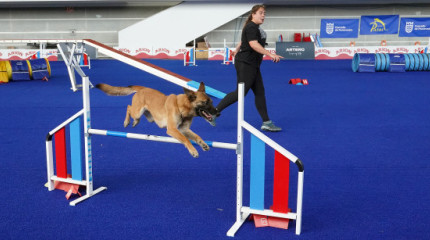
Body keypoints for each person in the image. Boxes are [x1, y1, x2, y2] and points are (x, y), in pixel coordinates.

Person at [214, 4, 283, 132]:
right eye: (261, 13)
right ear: (253, 14)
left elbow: (243, 40)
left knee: (260, 92)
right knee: (240, 93)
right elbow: (253, 44)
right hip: (246, 64)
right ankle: (214, 112)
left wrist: (236, 49)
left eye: (264, 13)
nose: (263, 15)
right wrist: (269, 54)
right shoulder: (251, 26)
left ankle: (266, 122)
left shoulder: (253, 27)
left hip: (252, 64)